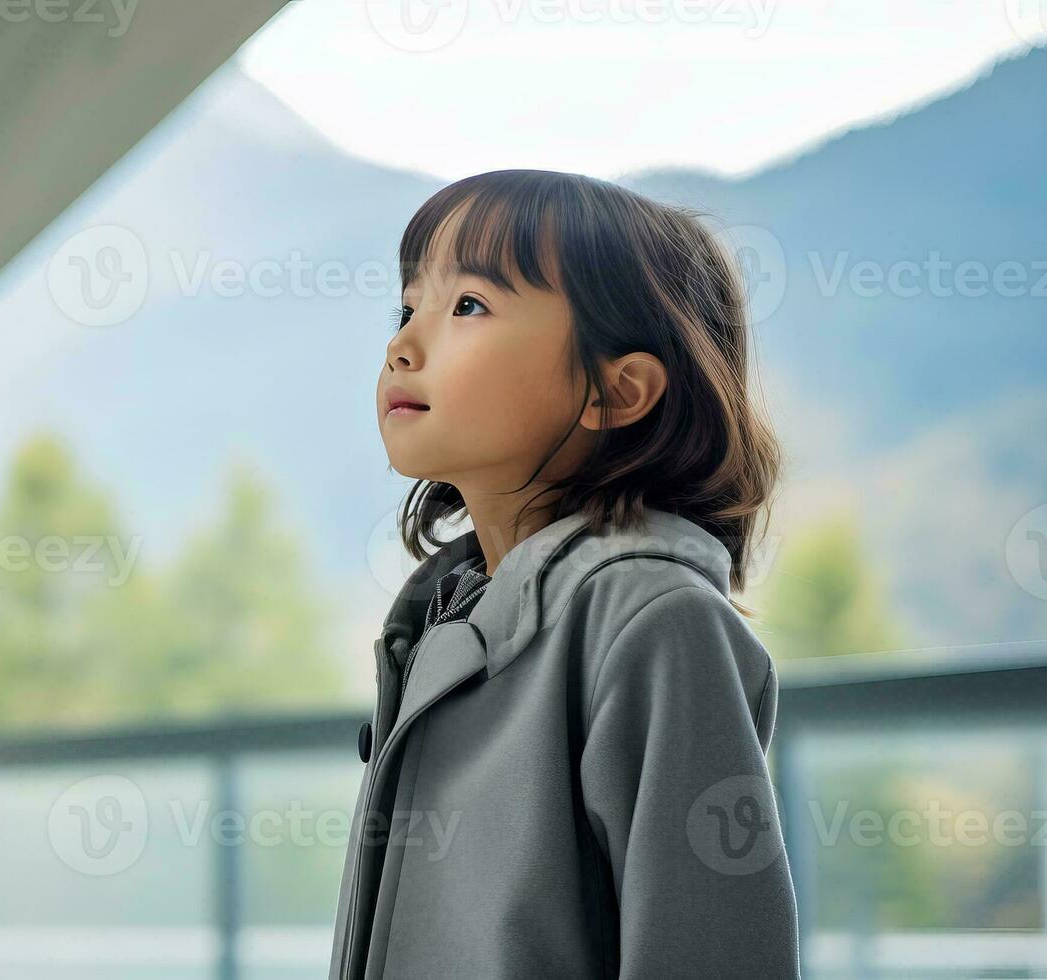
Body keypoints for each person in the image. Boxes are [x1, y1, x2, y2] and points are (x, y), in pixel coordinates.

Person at [328, 169, 801, 979]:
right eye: (408, 308)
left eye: (468, 305)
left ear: (616, 392)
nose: (401, 344)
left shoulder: (654, 620)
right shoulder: (441, 620)